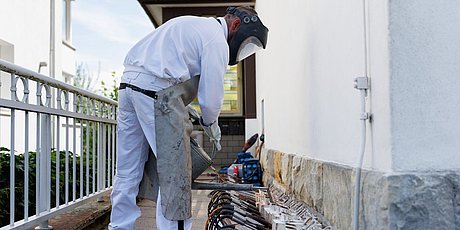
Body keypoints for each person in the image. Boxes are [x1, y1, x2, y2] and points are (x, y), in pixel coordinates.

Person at [108, 6, 268, 230]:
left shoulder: (195, 25)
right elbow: (210, 97)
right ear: (236, 25)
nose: (241, 50)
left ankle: (119, 226)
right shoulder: (217, 40)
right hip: (157, 93)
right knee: (176, 170)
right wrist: (210, 124)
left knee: (128, 169)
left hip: (129, 87)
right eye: (246, 44)